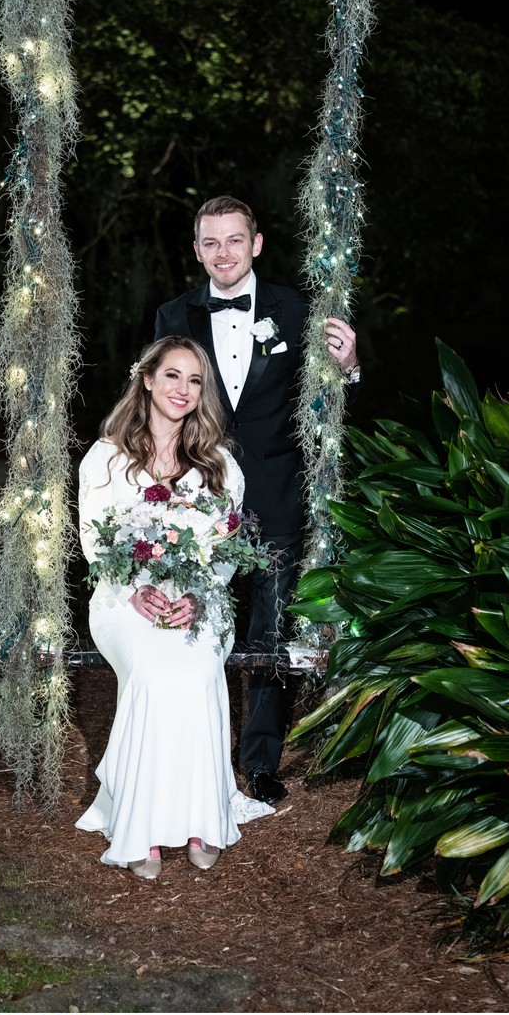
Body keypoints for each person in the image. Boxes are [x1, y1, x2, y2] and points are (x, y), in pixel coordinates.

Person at [155, 195, 360, 805]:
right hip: (198, 497)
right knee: (194, 622)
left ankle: (261, 761)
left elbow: (327, 397)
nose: (223, 253)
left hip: (276, 495)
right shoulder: (173, 314)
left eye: (234, 240)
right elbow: (160, 407)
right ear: (196, 251)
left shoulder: (298, 310)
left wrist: (348, 365)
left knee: (268, 630)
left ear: (257, 244)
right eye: (210, 243)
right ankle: (194, 756)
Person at [76, 335, 275, 880]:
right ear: (146, 379)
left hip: (200, 599)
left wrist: (196, 595)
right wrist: (136, 591)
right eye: (172, 376)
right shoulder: (106, 458)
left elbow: (227, 555)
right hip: (122, 599)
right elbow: (96, 548)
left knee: (193, 669)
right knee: (154, 673)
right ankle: (141, 826)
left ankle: (199, 820)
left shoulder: (219, 466)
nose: (183, 389)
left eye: (194, 380)